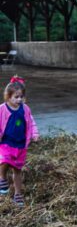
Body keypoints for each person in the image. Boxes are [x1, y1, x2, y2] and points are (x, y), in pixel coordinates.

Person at [0, 76, 39, 206]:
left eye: (21, 97)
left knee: (17, 170)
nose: (19, 99)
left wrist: (34, 134)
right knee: (4, 161)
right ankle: (2, 178)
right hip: (5, 143)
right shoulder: (2, 109)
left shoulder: (25, 109)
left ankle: (18, 194)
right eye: (16, 97)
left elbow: (31, 122)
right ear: (8, 97)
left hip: (20, 145)